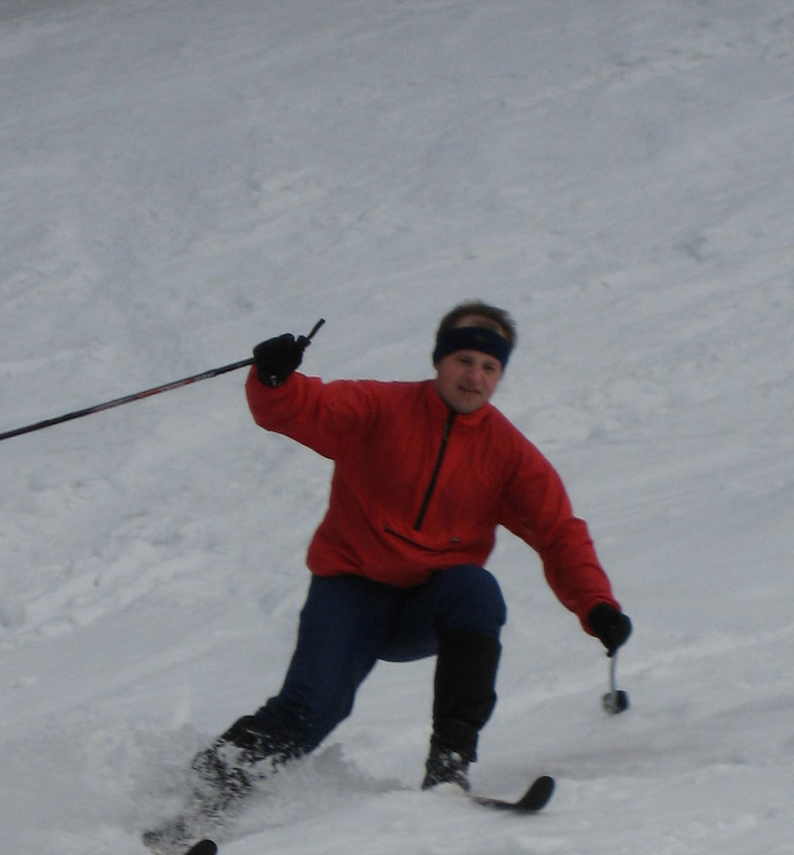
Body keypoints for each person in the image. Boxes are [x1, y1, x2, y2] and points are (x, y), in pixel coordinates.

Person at [189, 302, 631, 804]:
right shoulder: (380, 408)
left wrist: (597, 604)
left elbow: (559, 532)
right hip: (350, 591)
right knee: (312, 709)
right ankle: (209, 783)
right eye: (465, 360)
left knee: (476, 591)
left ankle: (449, 766)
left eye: (489, 366)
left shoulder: (507, 455)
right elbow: (301, 407)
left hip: (428, 604)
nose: (475, 376)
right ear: (439, 360)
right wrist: (273, 379)